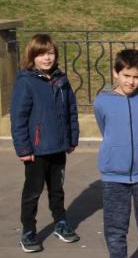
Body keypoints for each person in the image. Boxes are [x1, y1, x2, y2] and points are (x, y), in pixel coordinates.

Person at [11, 34, 80, 253]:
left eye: (50, 53)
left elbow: (71, 111)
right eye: (41, 54)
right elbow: (19, 118)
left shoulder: (62, 79)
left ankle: (60, 222)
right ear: (32, 57)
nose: (47, 58)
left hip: (59, 146)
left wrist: (72, 138)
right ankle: (29, 230)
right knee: (32, 192)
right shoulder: (26, 81)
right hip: (36, 150)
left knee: (57, 190)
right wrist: (23, 148)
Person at [94, 49, 138, 258]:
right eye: (126, 76)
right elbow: (105, 128)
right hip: (114, 176)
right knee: (115, 230)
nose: (131, 82)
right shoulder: (102, 101)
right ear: (115, 73)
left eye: (136, 77)